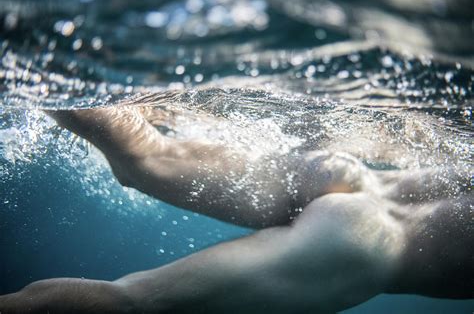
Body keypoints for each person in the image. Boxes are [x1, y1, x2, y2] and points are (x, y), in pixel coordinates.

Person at [0, 96, 472, 314]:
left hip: (352, 174)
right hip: (368, 247)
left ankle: (31, 55)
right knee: (132, 302)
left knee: (148, 152)